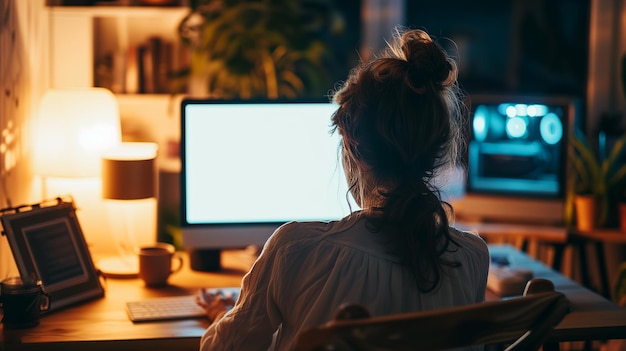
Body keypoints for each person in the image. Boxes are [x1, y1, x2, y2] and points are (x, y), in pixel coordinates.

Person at [197, 27, 490, 351]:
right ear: (436, 149)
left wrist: (223, 316)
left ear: (351, 146)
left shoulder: (293, 250)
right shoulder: (473, 259)